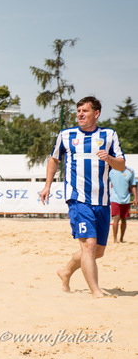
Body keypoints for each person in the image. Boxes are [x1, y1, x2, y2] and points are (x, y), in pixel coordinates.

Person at [39, 96, 125, 298]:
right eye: (78, 111)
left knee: (98, 251)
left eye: (85, 111)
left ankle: (66, 271)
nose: (80, 114)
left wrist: (110, 158)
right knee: (88, 245)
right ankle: (96, 292)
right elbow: (53, 159)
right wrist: (47, 185)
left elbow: (121, 166)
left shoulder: (109, 135)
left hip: (102, 201)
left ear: (96, 113)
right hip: (77, 199)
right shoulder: (66, 135)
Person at [109, 166, 137, 243]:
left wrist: (135, 198)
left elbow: (133, 185)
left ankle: (121, 239)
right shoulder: (111, 171)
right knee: (116, 218)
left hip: (126, 199)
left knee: (124, 219)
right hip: (115, 198)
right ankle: (115, 239)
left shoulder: (130, 171)